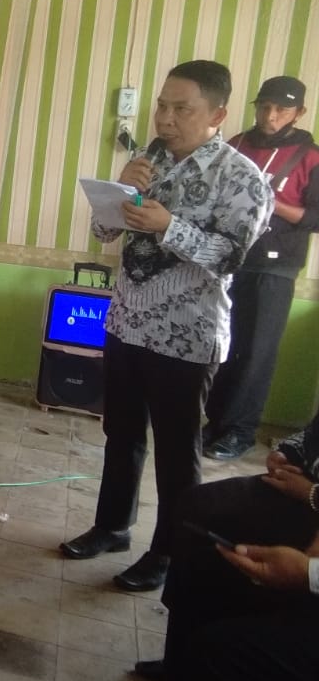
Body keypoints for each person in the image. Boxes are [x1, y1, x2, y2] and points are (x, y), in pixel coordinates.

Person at [60, 60, 273, 593]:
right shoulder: (147, 160)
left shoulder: (242, 178)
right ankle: (112, 527)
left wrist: (170, 226)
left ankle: (170, 553)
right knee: (120, 434)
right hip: (126, 321)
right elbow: (105, 231)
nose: (166, 118)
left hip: (186, 335)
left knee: (178, 453)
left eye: (182, 109)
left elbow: (231, 258)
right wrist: (117, 194)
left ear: (217, 115)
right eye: (162, 105)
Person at [140, 414, 319, 681]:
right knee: (197, 510)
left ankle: (212, 672)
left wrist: (308, 571)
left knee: (220, 652)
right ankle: (179, 667)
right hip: (306, 491)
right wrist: (287, 452)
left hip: (310, 500)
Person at [202, 75, 319, 461]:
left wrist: (268, 201)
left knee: (256, 353)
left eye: (281, 109)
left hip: (276, 268)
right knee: (223, 345)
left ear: (299, 112)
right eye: (264, 106)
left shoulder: (310, 156)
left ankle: (241, 432)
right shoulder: (236, 144)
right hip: (228, 259)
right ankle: (215, 423)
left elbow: (315, 217)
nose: (270, 116)